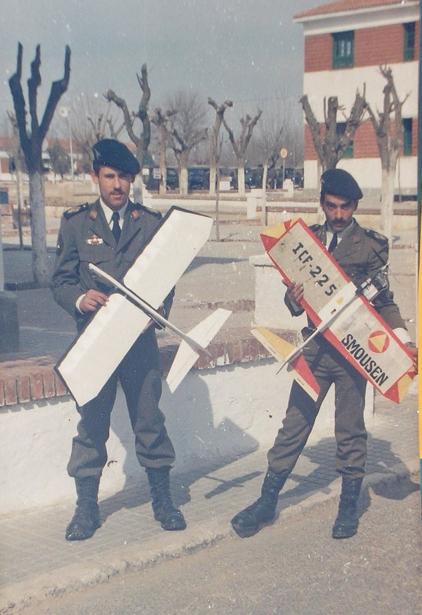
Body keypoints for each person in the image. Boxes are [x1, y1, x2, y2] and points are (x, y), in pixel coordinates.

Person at [231, 168, 417, 540]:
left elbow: (384, 301)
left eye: (345, 207)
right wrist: (293, 298)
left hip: (352, 354)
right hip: (314, 351)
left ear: (355, 206)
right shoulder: (306, 242)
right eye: (331, 206)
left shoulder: (371, 246)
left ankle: (348, 504)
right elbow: (294, 301)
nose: (338, 214)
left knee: (350, 430)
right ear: (322, 204)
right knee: (294, 425)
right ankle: (267, 500)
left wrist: (403, 339)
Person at [51, 139, 186, 541]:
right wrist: (80, 299)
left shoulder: (149, 223)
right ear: (96, 176)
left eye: (124, 177)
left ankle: (163, 500)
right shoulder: (77, 223)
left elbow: (166, 280)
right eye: (110, 176)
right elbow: (61, 280)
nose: (117, 185)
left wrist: (156, 311)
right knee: (92, 425)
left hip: (139, 345)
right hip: (95, 343)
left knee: (149, 422)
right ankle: (86, 509)